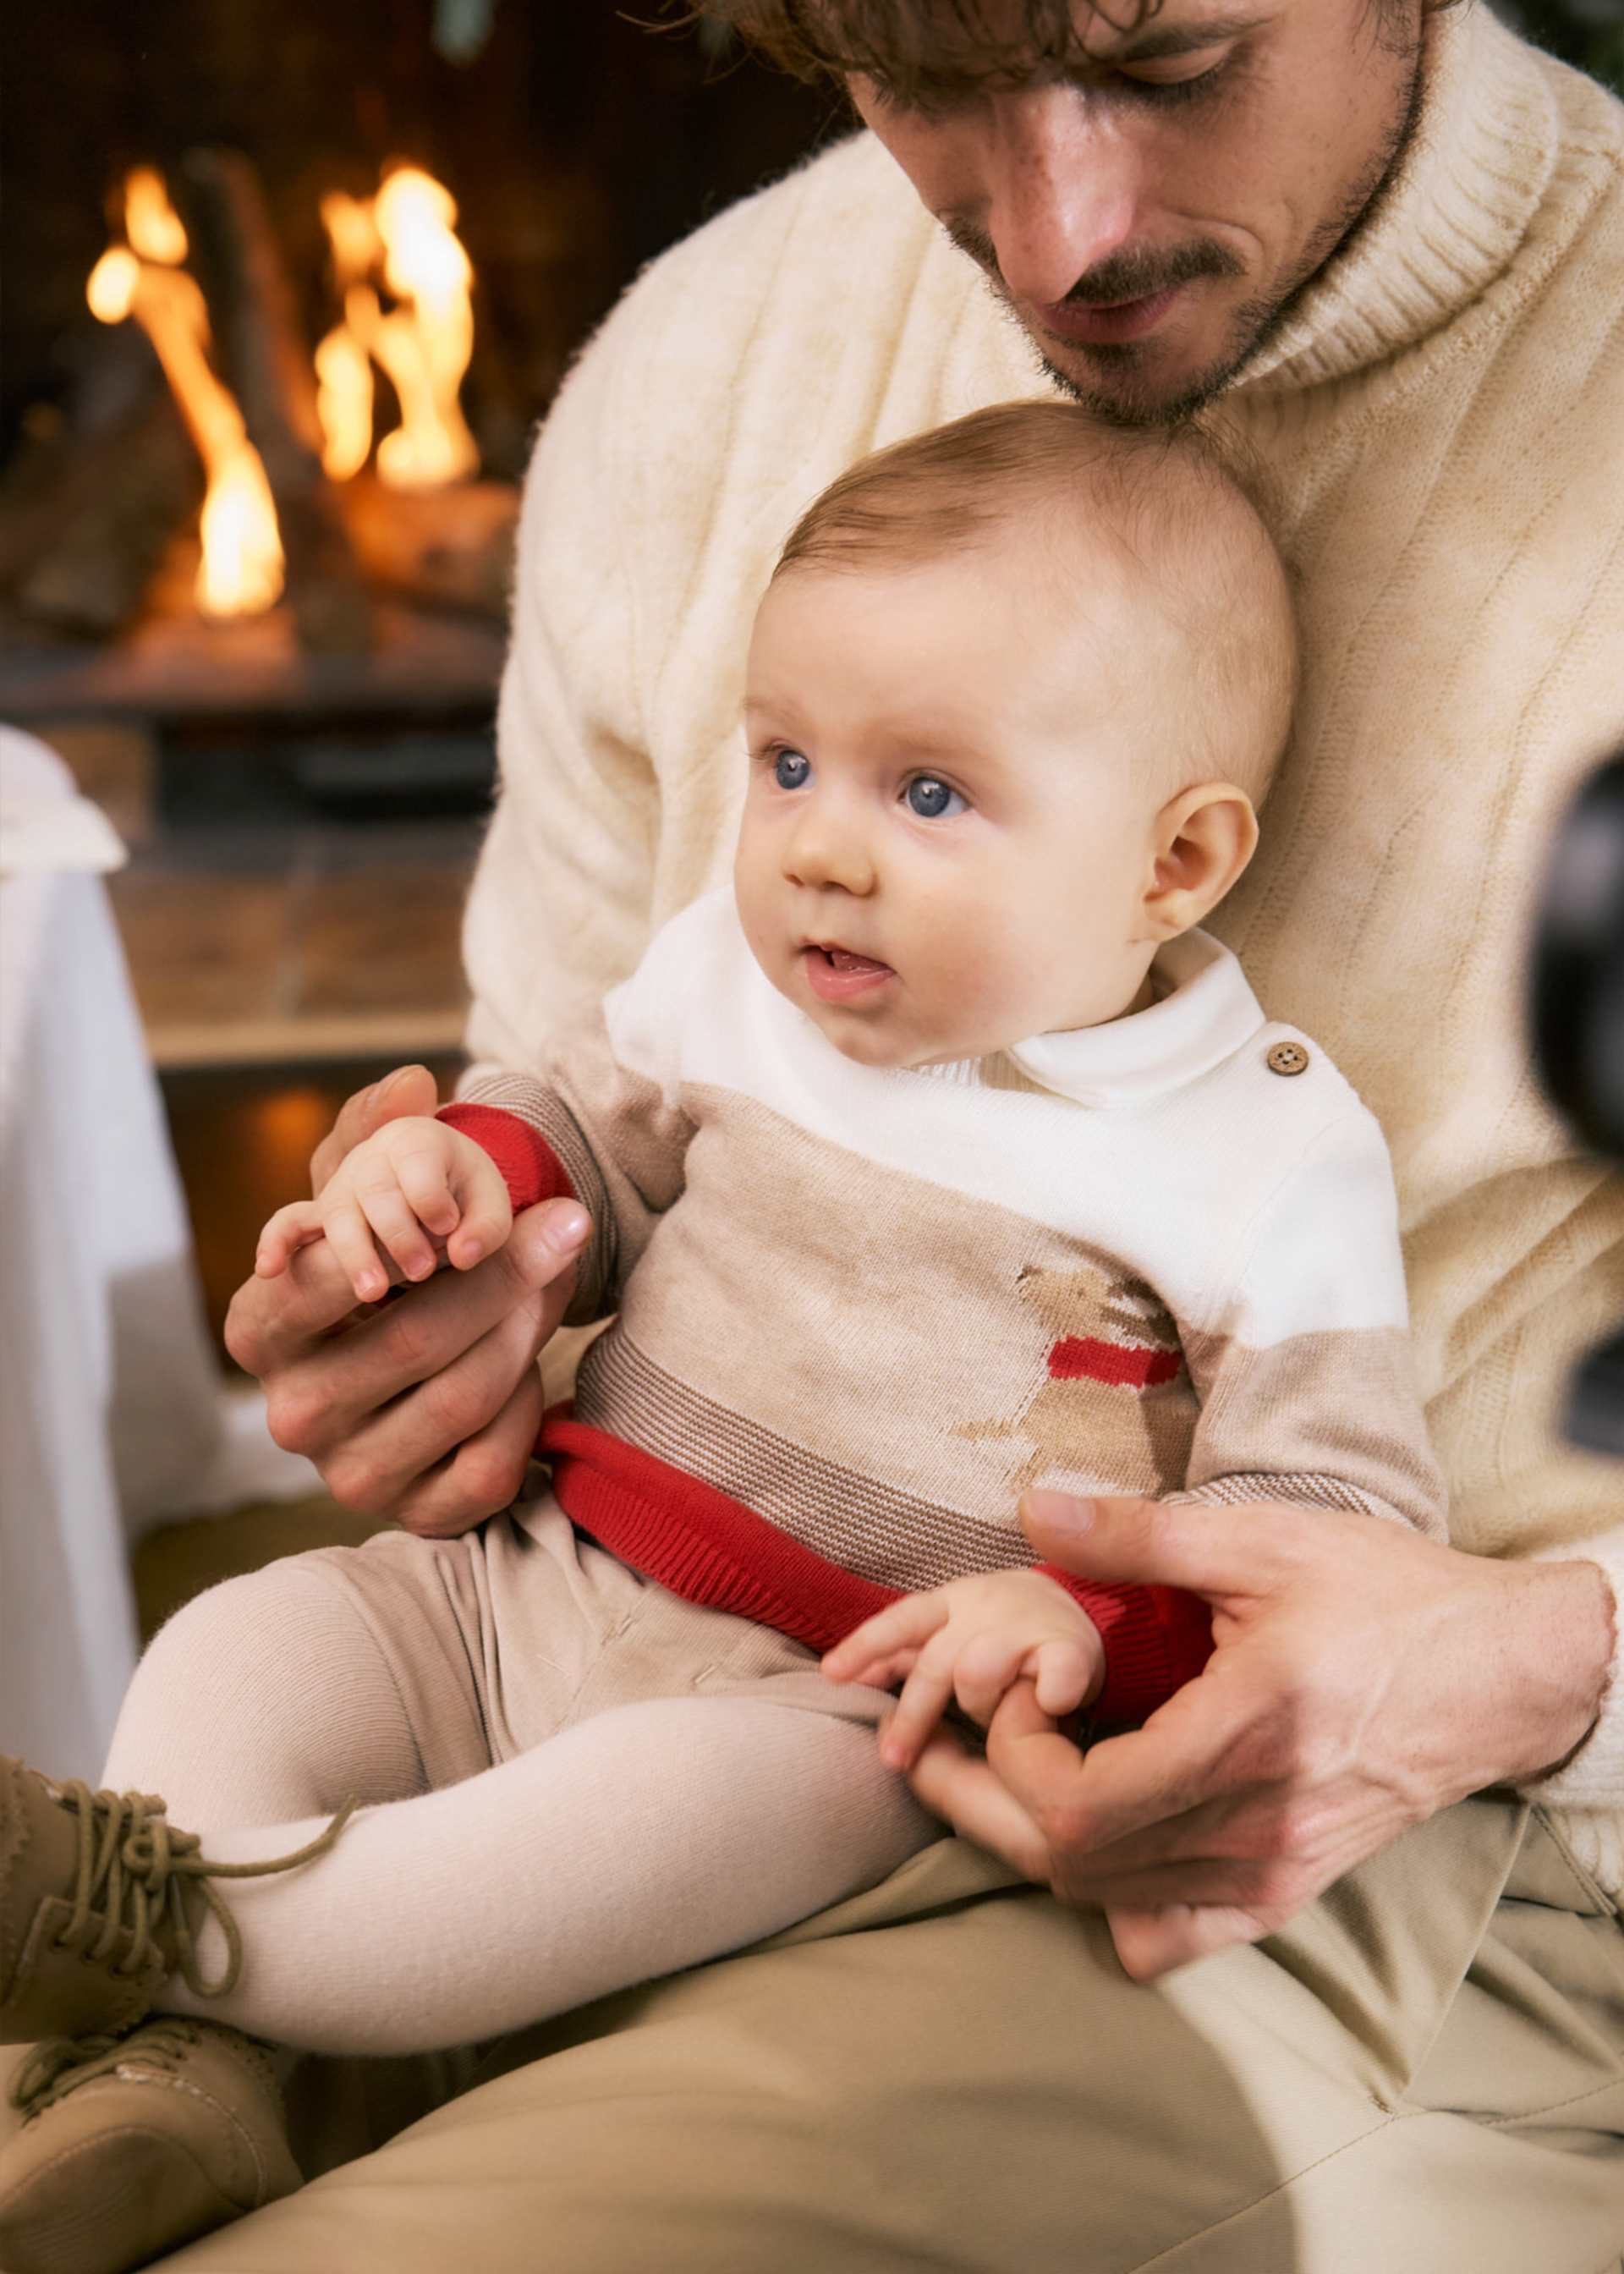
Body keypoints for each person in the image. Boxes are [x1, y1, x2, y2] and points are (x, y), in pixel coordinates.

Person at [41, 1, 1624, 2266]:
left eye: (1168, 61)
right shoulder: (701, 369)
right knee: (238, 1706)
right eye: (925, 84)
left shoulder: (1251, 1158)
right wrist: (452, 1286)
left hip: (1323, 1866)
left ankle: (207, 1966)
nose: (1059, 234)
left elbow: (1296, 1503)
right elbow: (575, 1096)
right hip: (555, 1590)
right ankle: (187, 2024)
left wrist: (1551, 1657)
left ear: (1183, 863)